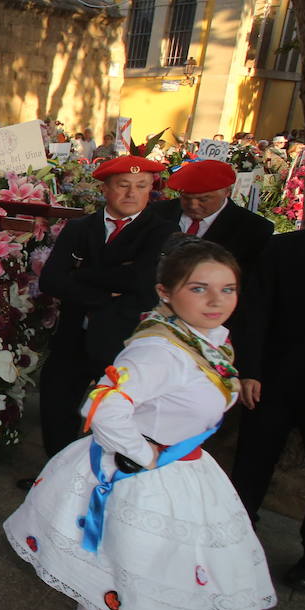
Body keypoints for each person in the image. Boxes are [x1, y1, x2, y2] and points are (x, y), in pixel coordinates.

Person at [5, 238, 275, 610]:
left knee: (119, 574)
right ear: (166, 292)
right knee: (178, 604)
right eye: (200, 288)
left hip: (182, 476)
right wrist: (143, 454)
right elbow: (103, 406)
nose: (217, 301)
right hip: (152, 481)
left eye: (228, 289)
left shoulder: (200, 338)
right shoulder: (162, 352)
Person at [35, 156, 179, 460]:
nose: (132, 193)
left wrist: (82, 273)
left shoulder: (161, 230)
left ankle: (105, 480)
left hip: (122, 340)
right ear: (105, 189)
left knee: (116, 416)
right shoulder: (79, 228)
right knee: (56, 405)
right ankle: (56, 474)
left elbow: (141, 282)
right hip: (73, 335)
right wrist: (106, 292)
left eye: (142, 186)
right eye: (123, 185)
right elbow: (51, 280)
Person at [231, 228, 305, 589]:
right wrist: (250, 371)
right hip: (274, 380)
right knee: (252, 462)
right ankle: (232, 540)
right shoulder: (282, 248)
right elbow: (255, 311)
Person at [153, 159, 272, 276]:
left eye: (203, 199)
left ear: (227, 192)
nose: (193, 206)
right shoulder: (158, 212)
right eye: (186, 198)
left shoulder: (254, 229)